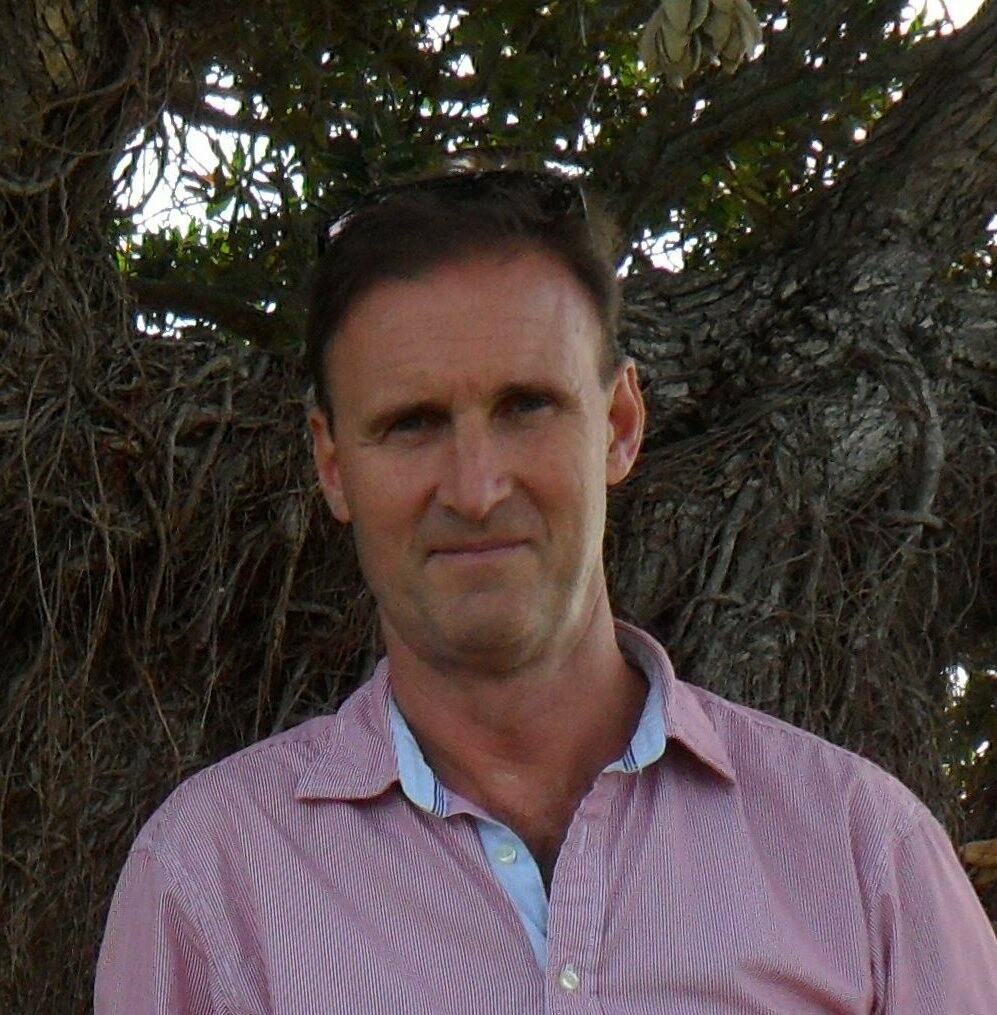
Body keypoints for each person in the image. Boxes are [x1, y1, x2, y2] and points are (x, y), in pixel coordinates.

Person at [96, 169, 997, 1013]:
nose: (475, 489)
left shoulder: (860, 853)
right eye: (411, 424)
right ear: (333, 466)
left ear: (619, 423)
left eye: (525, 406)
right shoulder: (210, 883)